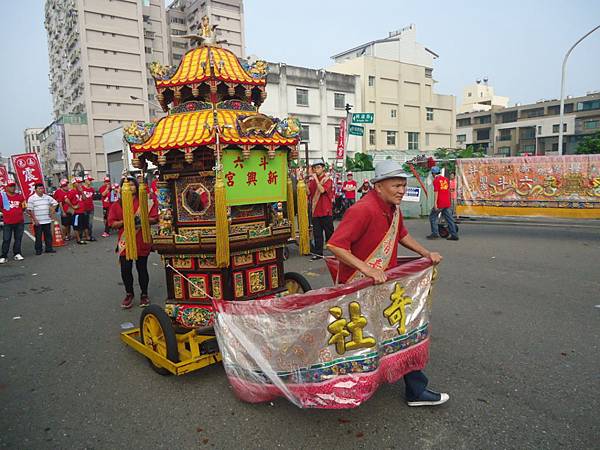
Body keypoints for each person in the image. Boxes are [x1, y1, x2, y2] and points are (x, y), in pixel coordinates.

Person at [327, 159, 449, 407]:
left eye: (403, 185)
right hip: (360, 287)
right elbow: (335, 245)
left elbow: (401, 234)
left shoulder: (393, 208)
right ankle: (339, 385)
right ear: (379, 186)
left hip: (383, 286)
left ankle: (414, 389)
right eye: (396, 185)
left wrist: (426, 253)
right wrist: (367, 269)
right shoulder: (363, 210)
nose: (402, 190)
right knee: (362, 339)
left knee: (400, 332)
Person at [108, 176, 159, 309]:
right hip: (125, 242)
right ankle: (129, 294)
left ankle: (144, 294)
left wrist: (142, 219)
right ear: (121, 188)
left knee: (142, 269)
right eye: (127, 185)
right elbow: (112, 223)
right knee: (125, 270)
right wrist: (126, 222)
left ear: (136, 187)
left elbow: (155, 219)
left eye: (132, 185)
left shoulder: (144, 202)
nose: (130, 187)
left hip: (141, 240)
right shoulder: (117, 204)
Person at [307, 159, 334, 261]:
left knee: (330, 234)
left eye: (318, 167)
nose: (316, 170)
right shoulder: (313, 181)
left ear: (323, 168)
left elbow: (322, 190)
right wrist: (304, 182)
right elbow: (308, 193)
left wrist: (315, 179)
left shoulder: (328, 180)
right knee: (317, 234)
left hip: (326, 211)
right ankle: (318, 254)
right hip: (316, 212)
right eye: (314, 168)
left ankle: (337, 253)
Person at [427, 166, 459, 241]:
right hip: (447, 202)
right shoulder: (446, 179)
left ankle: (435, 233)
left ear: (433, 173)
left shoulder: (436, 180)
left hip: (440, 202)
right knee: (450, 219)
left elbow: (436, 193)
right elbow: (447, 190)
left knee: (432, 217)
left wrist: (435, 203)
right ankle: (454, 234)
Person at [27, 183, 59, 255]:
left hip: (47, 220)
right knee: (38, 236)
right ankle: (38, 250)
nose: (41, 190)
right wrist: (35, 219)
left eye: (42, 188)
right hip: (38, 221)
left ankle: (49, 248)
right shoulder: (32, 198)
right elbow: (30, 210)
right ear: (35, 190)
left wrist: (52, 211)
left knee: (48, 235)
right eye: (39, 189)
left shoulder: (47, 197)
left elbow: (55, 203)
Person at [1, 181, 26, 263]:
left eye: (13, 186)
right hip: (8, 222)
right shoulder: (2, 197)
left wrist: (17, 212)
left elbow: (23, 207)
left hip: (19, 221)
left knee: (18, 238)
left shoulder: (19, 196)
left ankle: (17, 253)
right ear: (6, 187)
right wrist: (6, 212)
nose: (13, 188)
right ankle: (4, 255)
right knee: (6, 239)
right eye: (10, 186)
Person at [68, 178, 90, 244]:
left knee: (85, 225)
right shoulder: (72, 191)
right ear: (74, 184)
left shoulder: (80, 191)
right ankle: (78, 239)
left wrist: (82, 192)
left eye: (80, 182)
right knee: (76, 226)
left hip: (83, 211)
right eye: (78, 183)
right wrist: (73, 206)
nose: (80, 184)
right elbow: (66, 200)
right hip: (77, 212)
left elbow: (85, 199)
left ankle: (87, 237)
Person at [82, 175, 97, 241]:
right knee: (85, 223)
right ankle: (85, 235)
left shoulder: (92, 189)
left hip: (91, 208)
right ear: (85, 180)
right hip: (83, 209)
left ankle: (89, 235)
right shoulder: (81, 188)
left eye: (91, 180)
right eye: (89, 180)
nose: (90, 181)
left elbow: (92, 197)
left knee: (90, 223)